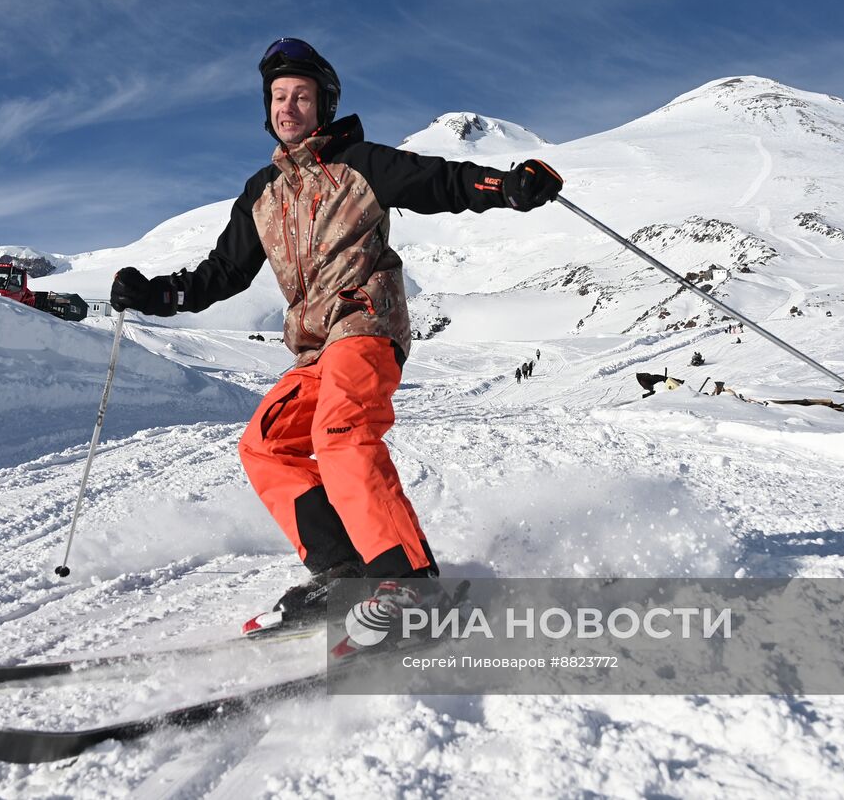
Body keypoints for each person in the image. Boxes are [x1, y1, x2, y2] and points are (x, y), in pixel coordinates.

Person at [109, 37, 563, 631]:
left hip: (366, 324)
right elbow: (220, 275)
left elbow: (440, 182)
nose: (288, 107)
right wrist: (154, 294)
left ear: (324, 105)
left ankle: (409, 583)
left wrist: (504, 186)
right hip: (312, 349)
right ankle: (344, 573)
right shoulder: (261, 194)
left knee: (342, 428)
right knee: (266, 446)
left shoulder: (361, 164)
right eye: (278, 96)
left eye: (301, 96)